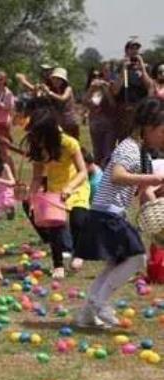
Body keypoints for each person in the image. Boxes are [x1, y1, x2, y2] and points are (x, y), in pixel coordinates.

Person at [74, 98, 164, 328]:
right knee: (136, 258)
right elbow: (116, 175)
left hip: (110, 214)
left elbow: (145, 193)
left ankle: (87, 314)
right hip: (107, 214)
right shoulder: (128, 147)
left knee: (116, 263)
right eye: (162, 131)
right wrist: (150, 178)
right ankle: (100, 302)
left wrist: (159, 218)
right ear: (149, 126)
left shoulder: (142, 153)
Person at [26, 108, 90, 279]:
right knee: (54, 227)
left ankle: (80, 252)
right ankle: (58, 264)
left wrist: (69, 188)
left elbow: (82, 172)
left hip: (76, 186)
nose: (36, 140)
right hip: (55, 190)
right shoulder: (39, 149)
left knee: (78, 220)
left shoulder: (69, 143)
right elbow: (37, 178)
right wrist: (32, 197)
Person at [84, 68, 117, 166]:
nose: (97, 79)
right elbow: (85, 102)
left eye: (100, 76)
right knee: (97, 152)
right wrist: (91, 89)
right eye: (94, 76)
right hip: (95, 124)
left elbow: (113, 104)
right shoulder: (90, 91)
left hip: (108, 124)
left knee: (108, 152)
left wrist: (105, 89)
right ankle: (98, 175)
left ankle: (108, 174)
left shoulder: (108, 88)